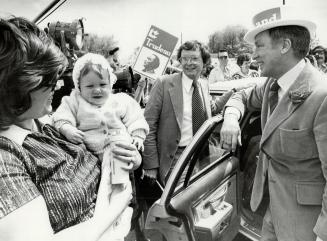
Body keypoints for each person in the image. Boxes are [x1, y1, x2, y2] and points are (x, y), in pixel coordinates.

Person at [0, 17, 141, 241]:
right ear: (17, 85)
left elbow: (96, 151)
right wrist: (118, 204)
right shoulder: (5, 158)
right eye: (49, 78)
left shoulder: (46, 122)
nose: (58, 84)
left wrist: (128, 157)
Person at [220, 6, 327, 241]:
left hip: (306, 225)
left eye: (259, 46)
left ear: (284, 45)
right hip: (270, 212)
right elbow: (241, 96)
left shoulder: (322, 96)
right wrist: (230, 118)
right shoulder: (272, 84)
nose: (254, 55)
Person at [52, 53, 149, 240]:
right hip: (91, 154)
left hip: (117, 153)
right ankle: (108, 217)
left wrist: (137, 137)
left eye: (102, 85)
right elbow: (60, 117)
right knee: (104, 190)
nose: (97, 90)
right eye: (90, 86)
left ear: (111, 83)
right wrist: (67, 129)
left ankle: (118, 214)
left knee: (120, 185)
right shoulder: (73, 101)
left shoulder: (120, 100)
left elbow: (136, 118)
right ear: (78, 86)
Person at [142, 40, 243, 186]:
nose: (189, 63)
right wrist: (151, 165)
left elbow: (210, 109)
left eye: (194, 58)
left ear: (205, 61)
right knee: (184, 200)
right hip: (175, 158)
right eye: (184, 58)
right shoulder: (163, 83)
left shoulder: (203, 84)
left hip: (201, 154)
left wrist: (233, 93)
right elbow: (148, 126)